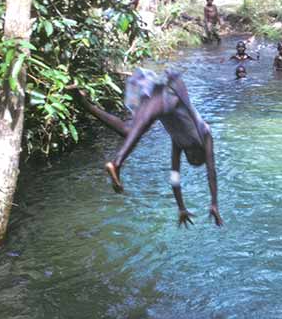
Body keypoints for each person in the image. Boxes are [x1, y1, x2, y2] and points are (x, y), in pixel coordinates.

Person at [76, 69, 223, 227]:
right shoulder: (205, 134)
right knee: (144, 121)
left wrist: (181, 208)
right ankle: (117, 163)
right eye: (196, 158)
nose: (192, 157)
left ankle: (82, 102)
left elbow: (174, 176)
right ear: (201, 152)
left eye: (191, 160)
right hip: (170, 89)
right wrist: (214, 203)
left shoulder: (178, 143)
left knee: (129, 130)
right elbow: (211, 172)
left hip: (150, 91)